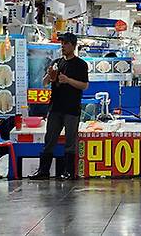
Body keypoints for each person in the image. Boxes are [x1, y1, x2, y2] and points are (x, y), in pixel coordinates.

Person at [30, 32, 89, 181]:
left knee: (70, 142)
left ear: (73, 46)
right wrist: (50, 75)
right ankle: (43, 171)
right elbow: (44, 83)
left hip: (72, 109)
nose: (63, 46)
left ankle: (69, 172)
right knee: (49, 139)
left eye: (66, 43)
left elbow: (84, 85)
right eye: (61, 43)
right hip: (55, 108)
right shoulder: (56, 62)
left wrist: (68, 80)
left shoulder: (81, 64)